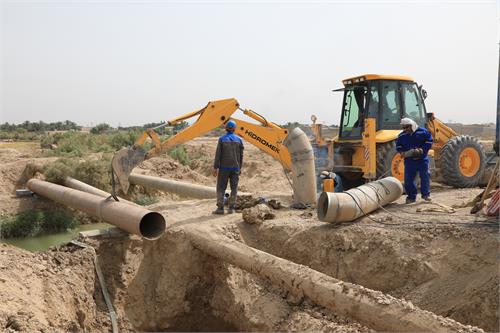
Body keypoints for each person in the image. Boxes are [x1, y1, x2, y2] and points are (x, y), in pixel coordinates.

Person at [396, 117, 433, 204]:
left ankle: (426, 195)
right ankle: (411, 197)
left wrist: (422, 150)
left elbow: (429, 142)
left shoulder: (423, 132)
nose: (405, 130)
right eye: (403, 128)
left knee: (425, 177)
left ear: (412, 125)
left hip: (422, 160)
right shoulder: (402, 135)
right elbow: (398, 146)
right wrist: (402, 152)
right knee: (408, 180)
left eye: (407, 127)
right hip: (409, 161)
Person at [213, 120, 244, 214]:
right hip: (235, 168)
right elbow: (241, 156)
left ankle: (220, 208)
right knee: (234, 188)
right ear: (234, 129)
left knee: (221, 188)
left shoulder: (222, 139)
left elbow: (218, 154)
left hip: (224, 168)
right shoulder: (239, 140)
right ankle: (231, 208)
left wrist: (215, 167)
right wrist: (240, 167)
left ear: (226, 128)